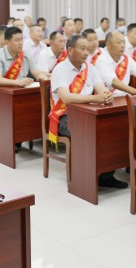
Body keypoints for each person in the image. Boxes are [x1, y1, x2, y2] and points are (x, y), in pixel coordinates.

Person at [50, 35, 119, 188]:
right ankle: (82, 178)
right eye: (82, 49)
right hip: (65, 116)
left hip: (89, 114)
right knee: (87, 132)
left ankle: (107, 175)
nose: (86, 53)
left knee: (112, 129)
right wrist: (95, 97)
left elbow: (102, 89)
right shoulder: (59, 70)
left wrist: (107, 95)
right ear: (70, 50)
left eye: (87, 49)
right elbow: (66, 98)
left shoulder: (91, 68)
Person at [0, 26, 34, 120]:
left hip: (21, 92)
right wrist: (18, 82)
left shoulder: (26, 54)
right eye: (17, 40)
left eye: (21, 39)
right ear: (7, 42)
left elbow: (38, 73)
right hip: (2, 94)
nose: (21, 43)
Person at [97, 31, 136, 96]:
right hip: (107, 99)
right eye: (119, 42)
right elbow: (113, 81)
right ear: (108, 44)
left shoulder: (126, 58)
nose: (122, 45)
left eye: (124, 42)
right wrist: (134, 91)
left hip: (124, 97)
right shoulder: (101, 60)